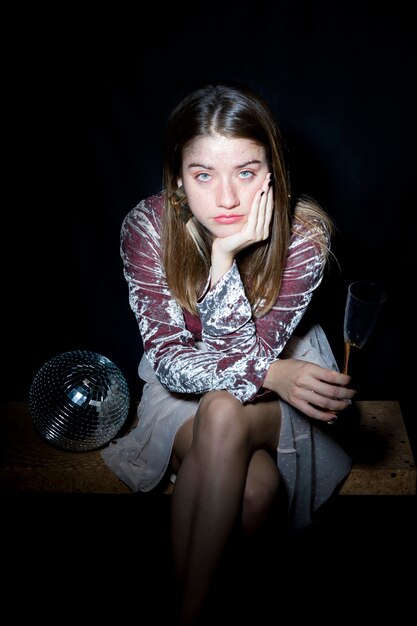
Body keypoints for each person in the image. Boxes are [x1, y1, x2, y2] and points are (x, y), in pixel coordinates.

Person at [101, 81, 357, 624]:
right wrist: (223, 263)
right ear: (176, 179)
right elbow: (171, 359)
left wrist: (224, 267)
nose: (226, 199)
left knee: (226, 408)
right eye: (203, 175)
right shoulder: (146, 228)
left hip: (283, 404)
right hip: (186, 397)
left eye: (246, 172)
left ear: (273, 173)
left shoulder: (305, 234)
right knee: (257, 491)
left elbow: (247, 372)